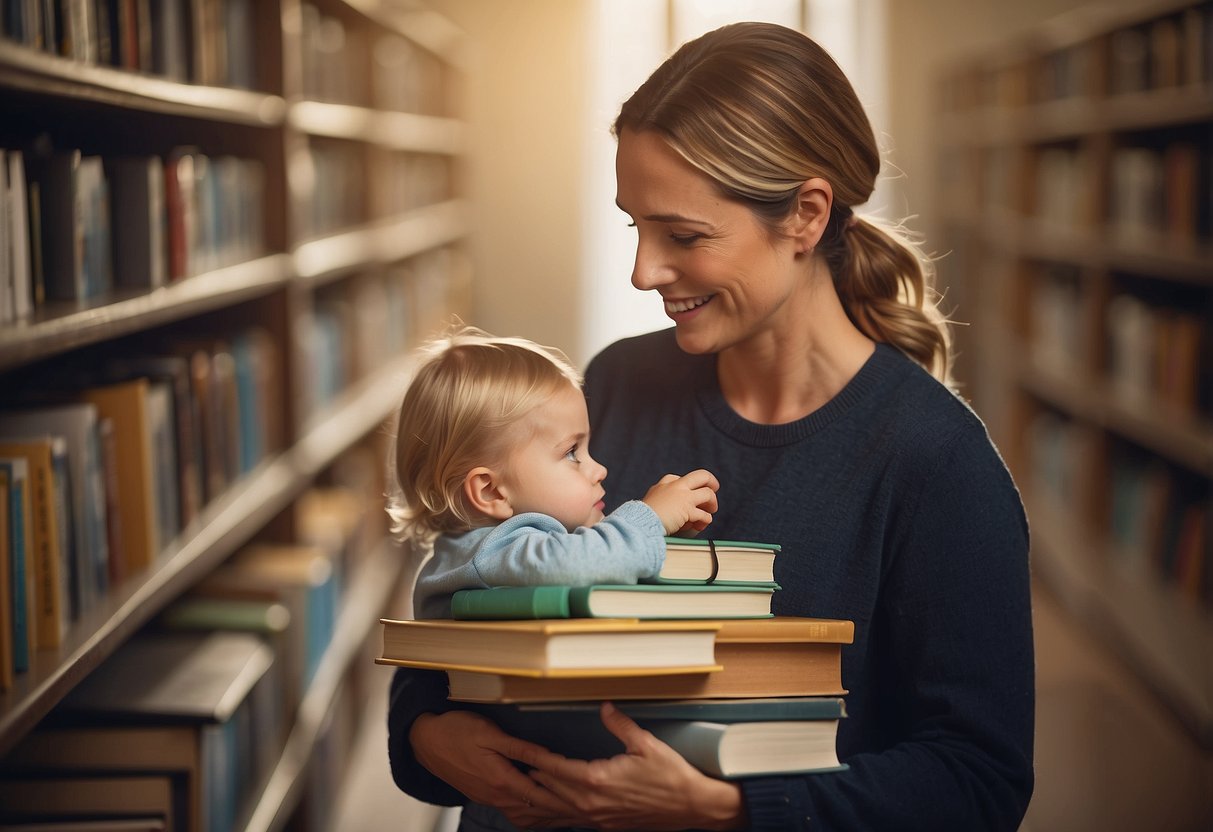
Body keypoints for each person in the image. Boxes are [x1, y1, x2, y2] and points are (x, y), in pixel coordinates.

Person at [387, 21, 1034, 832]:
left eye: (683, 236)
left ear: (804, 215)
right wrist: (423, 733)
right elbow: (469, 586)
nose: (642, 271)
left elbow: (977, 782)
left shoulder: (936, 463)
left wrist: (726, 812)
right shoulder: (616, 385)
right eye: (635, 225)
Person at [388, 326, 720, 620]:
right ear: (491, 492)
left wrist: (661, 534)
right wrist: (650, 520)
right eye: (572, 453)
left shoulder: (504, 552)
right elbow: (577, 562)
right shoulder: (489, 552)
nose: (599, 469)